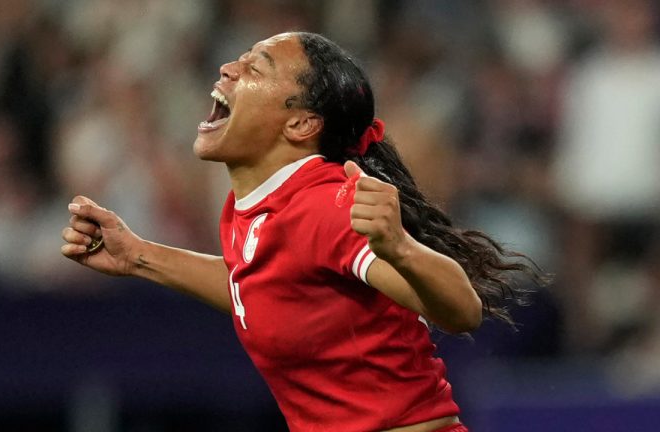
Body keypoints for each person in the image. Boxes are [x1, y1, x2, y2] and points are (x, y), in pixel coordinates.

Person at [61, 32, 540, 432]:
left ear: (301, 123)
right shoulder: (253, 202)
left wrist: (400, 248)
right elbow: (266, 288)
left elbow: (462, 311)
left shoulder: (324, 206)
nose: (229, 68)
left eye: (257, 68)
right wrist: (137, 256)